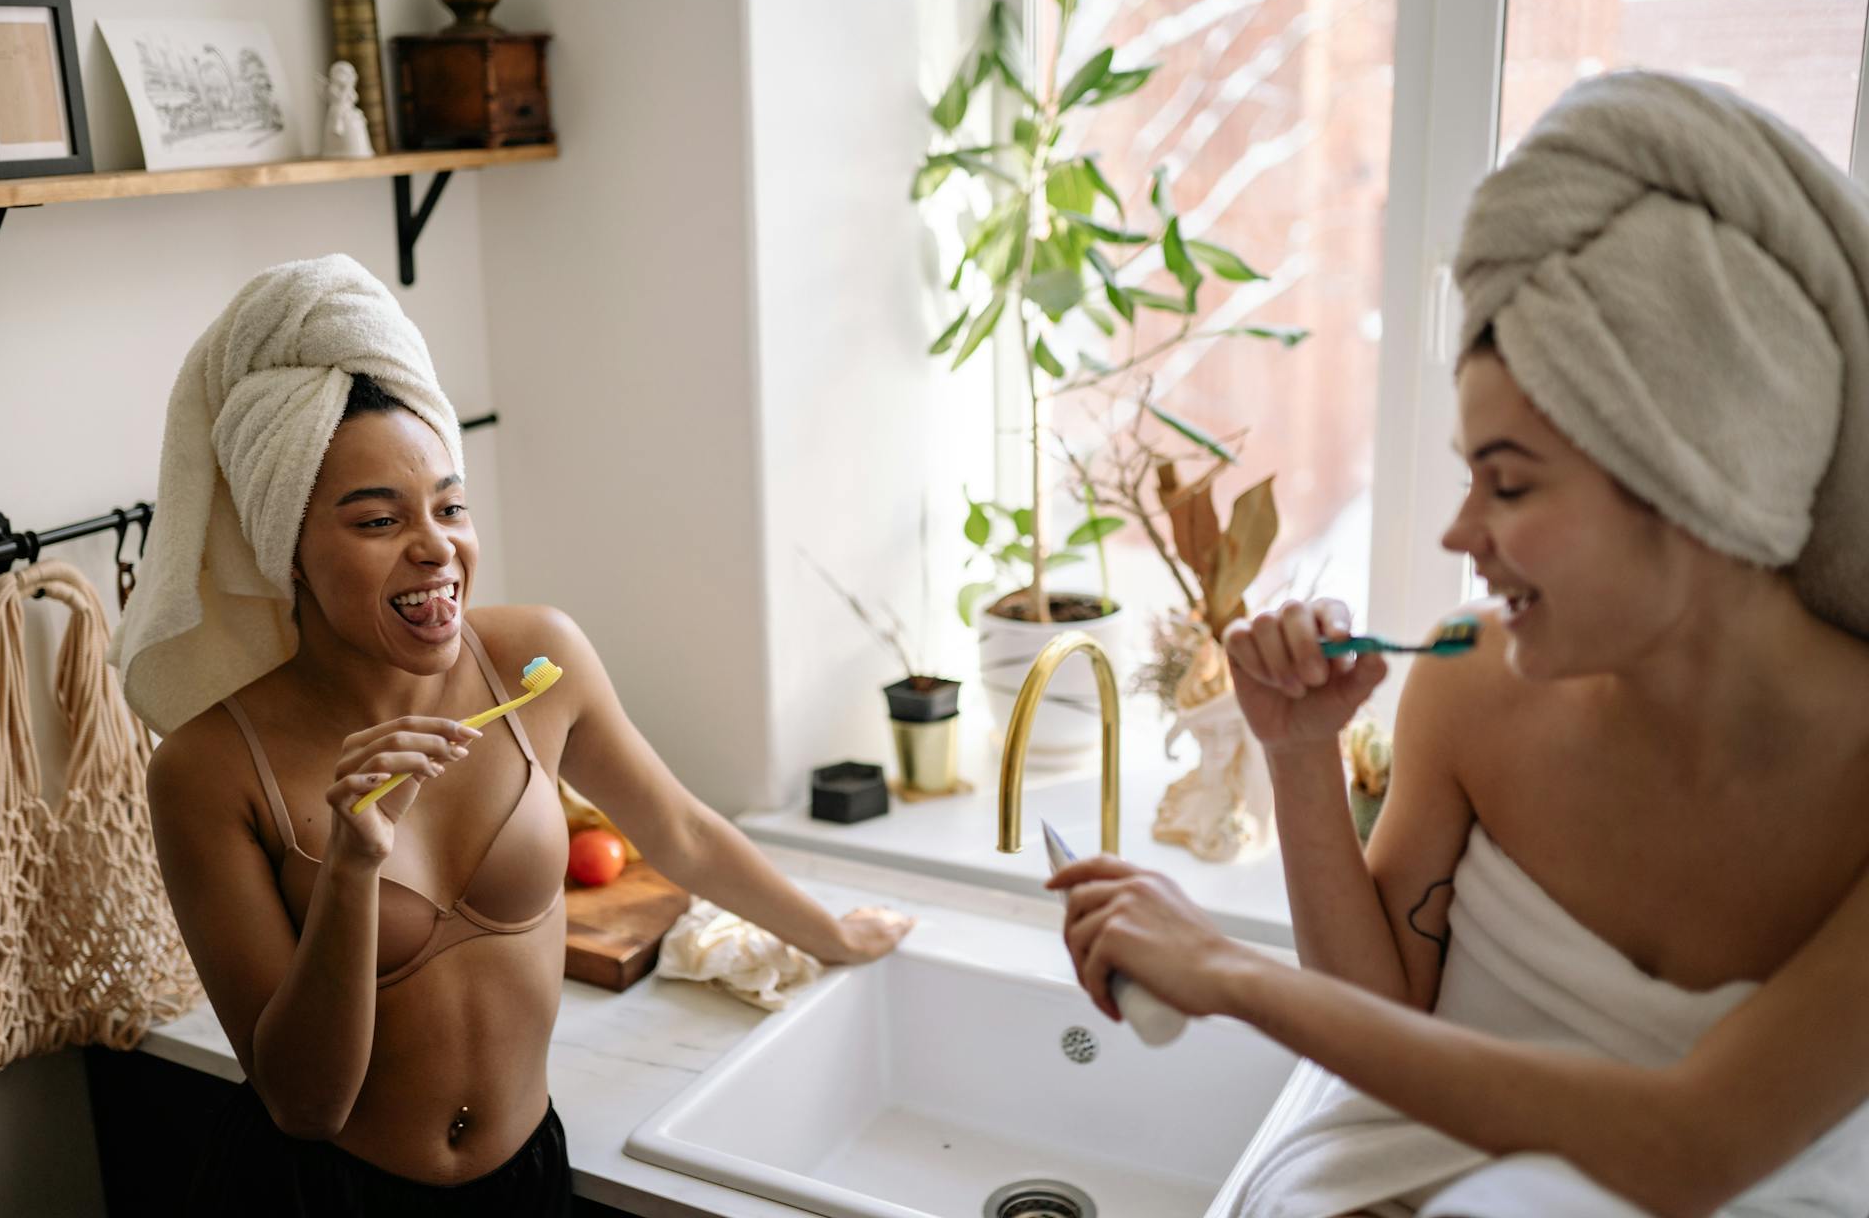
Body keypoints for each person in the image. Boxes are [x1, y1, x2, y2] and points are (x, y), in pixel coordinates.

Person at [1048, 71, 1869, 1217]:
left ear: (1694, 484)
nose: (1458, 531)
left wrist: (1227, 970)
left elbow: (1693, 1147)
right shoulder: (1474, 679)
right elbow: (1376, 1016)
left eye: (1509, 481)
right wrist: (1299, 753)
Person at [114, 254, 911, 1216]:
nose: (436, 547)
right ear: (286, 548)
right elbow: (305, 1102)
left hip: (529, 1180)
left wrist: (831, 933)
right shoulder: (207, 769)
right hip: (319, 1195)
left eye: (450, 507)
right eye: (377, 521)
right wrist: (353, 871)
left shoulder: (536, 659)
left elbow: (680, 832)